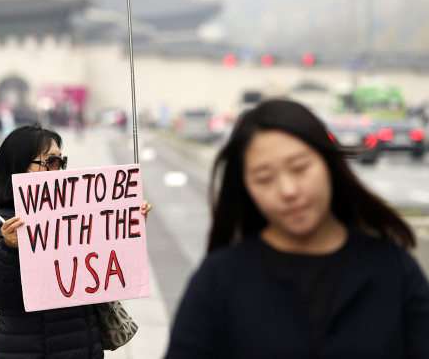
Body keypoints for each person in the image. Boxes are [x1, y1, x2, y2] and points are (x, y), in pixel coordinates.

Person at [164, 98, 429, 359]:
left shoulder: (394, 270)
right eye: (264, 178)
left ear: (328, 163)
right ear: (246, 188)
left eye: (300, 168)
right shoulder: (218, 281)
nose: (288, 191)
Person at [0, 123, 151, 358]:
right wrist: (9, 249)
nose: (59, 170)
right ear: (20, 166)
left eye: (61, 162)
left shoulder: (74, 210)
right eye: (51, 162)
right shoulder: (0, 220)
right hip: (32, 350)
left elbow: (105, 270)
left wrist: (125, 226)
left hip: (84, 346)